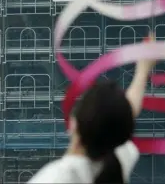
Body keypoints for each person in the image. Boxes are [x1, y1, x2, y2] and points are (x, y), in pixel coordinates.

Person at [28, 34, 156, 184]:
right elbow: (123, 113)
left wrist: (142, 69)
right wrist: (143, 69)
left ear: (74, 123)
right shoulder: (115, 162)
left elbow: (125, 112)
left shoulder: (56, 177)